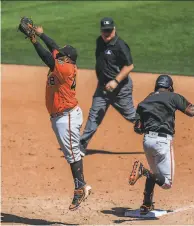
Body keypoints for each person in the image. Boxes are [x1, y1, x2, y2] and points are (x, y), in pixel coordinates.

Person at [19, 23, 91, 211]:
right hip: (62, 115)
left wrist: (34, 40)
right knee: (72, 152)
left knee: (72, 153)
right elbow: (54, 49)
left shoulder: (65, 68)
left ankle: (80, 188)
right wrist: (42, 34)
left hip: (66, 116)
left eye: (61, 55)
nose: (58, 54)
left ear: (67, 59)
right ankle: (81, 185)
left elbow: (47, 57)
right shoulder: (65, 63)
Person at [128, 74, 194, 215]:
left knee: (155, 173)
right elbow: (191, 111)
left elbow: (138, 128)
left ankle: (146, 204)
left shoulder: (145, 101)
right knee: (167, 183)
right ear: (169, 87)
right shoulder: (172, 96)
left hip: (147, 142)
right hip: (162, 142)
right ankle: (142, 171)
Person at [80, 17, 136, 156]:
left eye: (109, 31)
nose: (107, 34)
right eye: (104, 31)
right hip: (103, 88)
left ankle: (157, 129)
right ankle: (81, 146)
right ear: (101, 30)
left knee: (132, 116)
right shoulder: (99, 41)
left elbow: (129, 66)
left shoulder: (120, 45)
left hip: (120, 89)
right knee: (94, 116)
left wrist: (115, 81)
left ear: (114, 29)